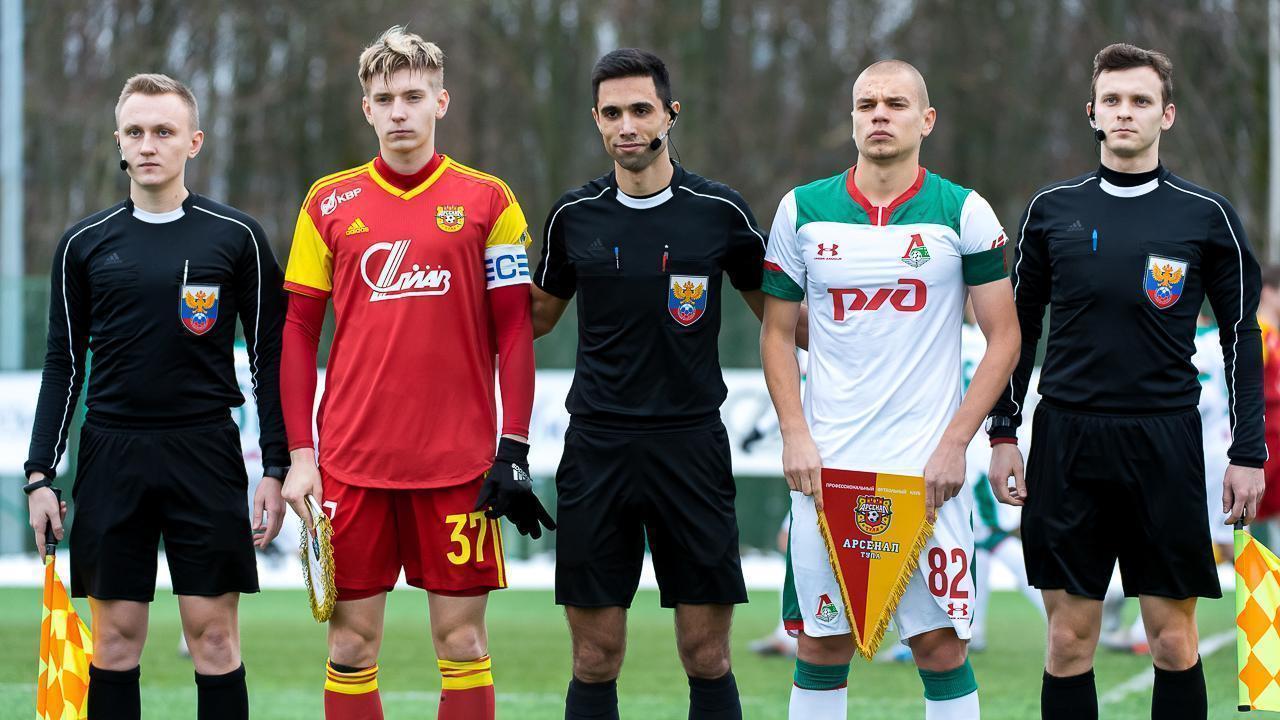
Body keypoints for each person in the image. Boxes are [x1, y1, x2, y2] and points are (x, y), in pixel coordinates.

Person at [278, 26, 552, 720]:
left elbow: (515, 329)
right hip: (352, 463)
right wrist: (302, 457)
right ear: (365, 109)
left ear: (441, 102)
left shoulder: (490, 201)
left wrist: (514, 447)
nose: (399, 111)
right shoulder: (327, 203)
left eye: (413, 96)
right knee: (350, 648)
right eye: (384, 99)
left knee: (463, 643)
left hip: (459, 466)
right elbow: (298, 332)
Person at [987, 43, 1266, 720]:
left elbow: (1241, 337)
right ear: (1092, 112)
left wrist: (1247, 453)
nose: (1125, 112)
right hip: (1068, 441)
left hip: (1164, 442)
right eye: (1111, 100)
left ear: (1166, 115)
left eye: (1141, 100)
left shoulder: (1207, 215)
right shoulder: (1050, 210)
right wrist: (1003, 434)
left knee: (1172, 641)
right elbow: (1016, 332)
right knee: (1067, 641)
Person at [760, 59, 1019, 719]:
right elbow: (777, 333)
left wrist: (956, 444)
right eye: (867, 104)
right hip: (827, 465)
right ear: (851, 119)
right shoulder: (802, 210)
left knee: (940, 646)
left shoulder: (963, 211)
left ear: (926, 120)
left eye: (896, 104)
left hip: (925, 468)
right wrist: (794, 435)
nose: (880, 114)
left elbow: (1005, 338)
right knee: (821, 643)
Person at [24, 73, 288, 720]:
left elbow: (270, 360)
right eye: (135, 132)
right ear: (118, 141)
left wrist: (277, 468)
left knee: (214, 639)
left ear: (193, 141)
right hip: (112, 454)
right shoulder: (82, 244)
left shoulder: (237, 237)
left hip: (206, 451)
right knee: (115, 643)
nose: (148, 145)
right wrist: (39, 476)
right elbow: (63, 366)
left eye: (164, 131)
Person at [531, 48, 767, 720]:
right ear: (596, 121)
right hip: (597, 449)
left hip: (691, 447)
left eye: (640, 109)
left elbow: (783, 325)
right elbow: (534, 321)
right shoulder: (572, 215)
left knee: (707, 654)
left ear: (670, 114)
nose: (627, 125)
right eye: (612, 113)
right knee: (595, 656)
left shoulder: (719, 211)